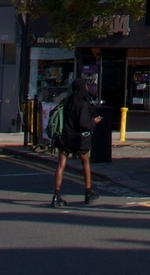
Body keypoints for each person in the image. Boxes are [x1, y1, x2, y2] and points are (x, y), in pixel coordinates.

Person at [50, 77, 102, 208]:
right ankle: (88, 192)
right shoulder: (83, 104)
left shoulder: (66, 101)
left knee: (61, 165)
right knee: (85, 163)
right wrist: (94, 122)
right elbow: (83, 123)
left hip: (64, 138)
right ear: (83, 88)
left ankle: (56, 195)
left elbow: (54, 113)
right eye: (85, 86)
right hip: (79, 139)